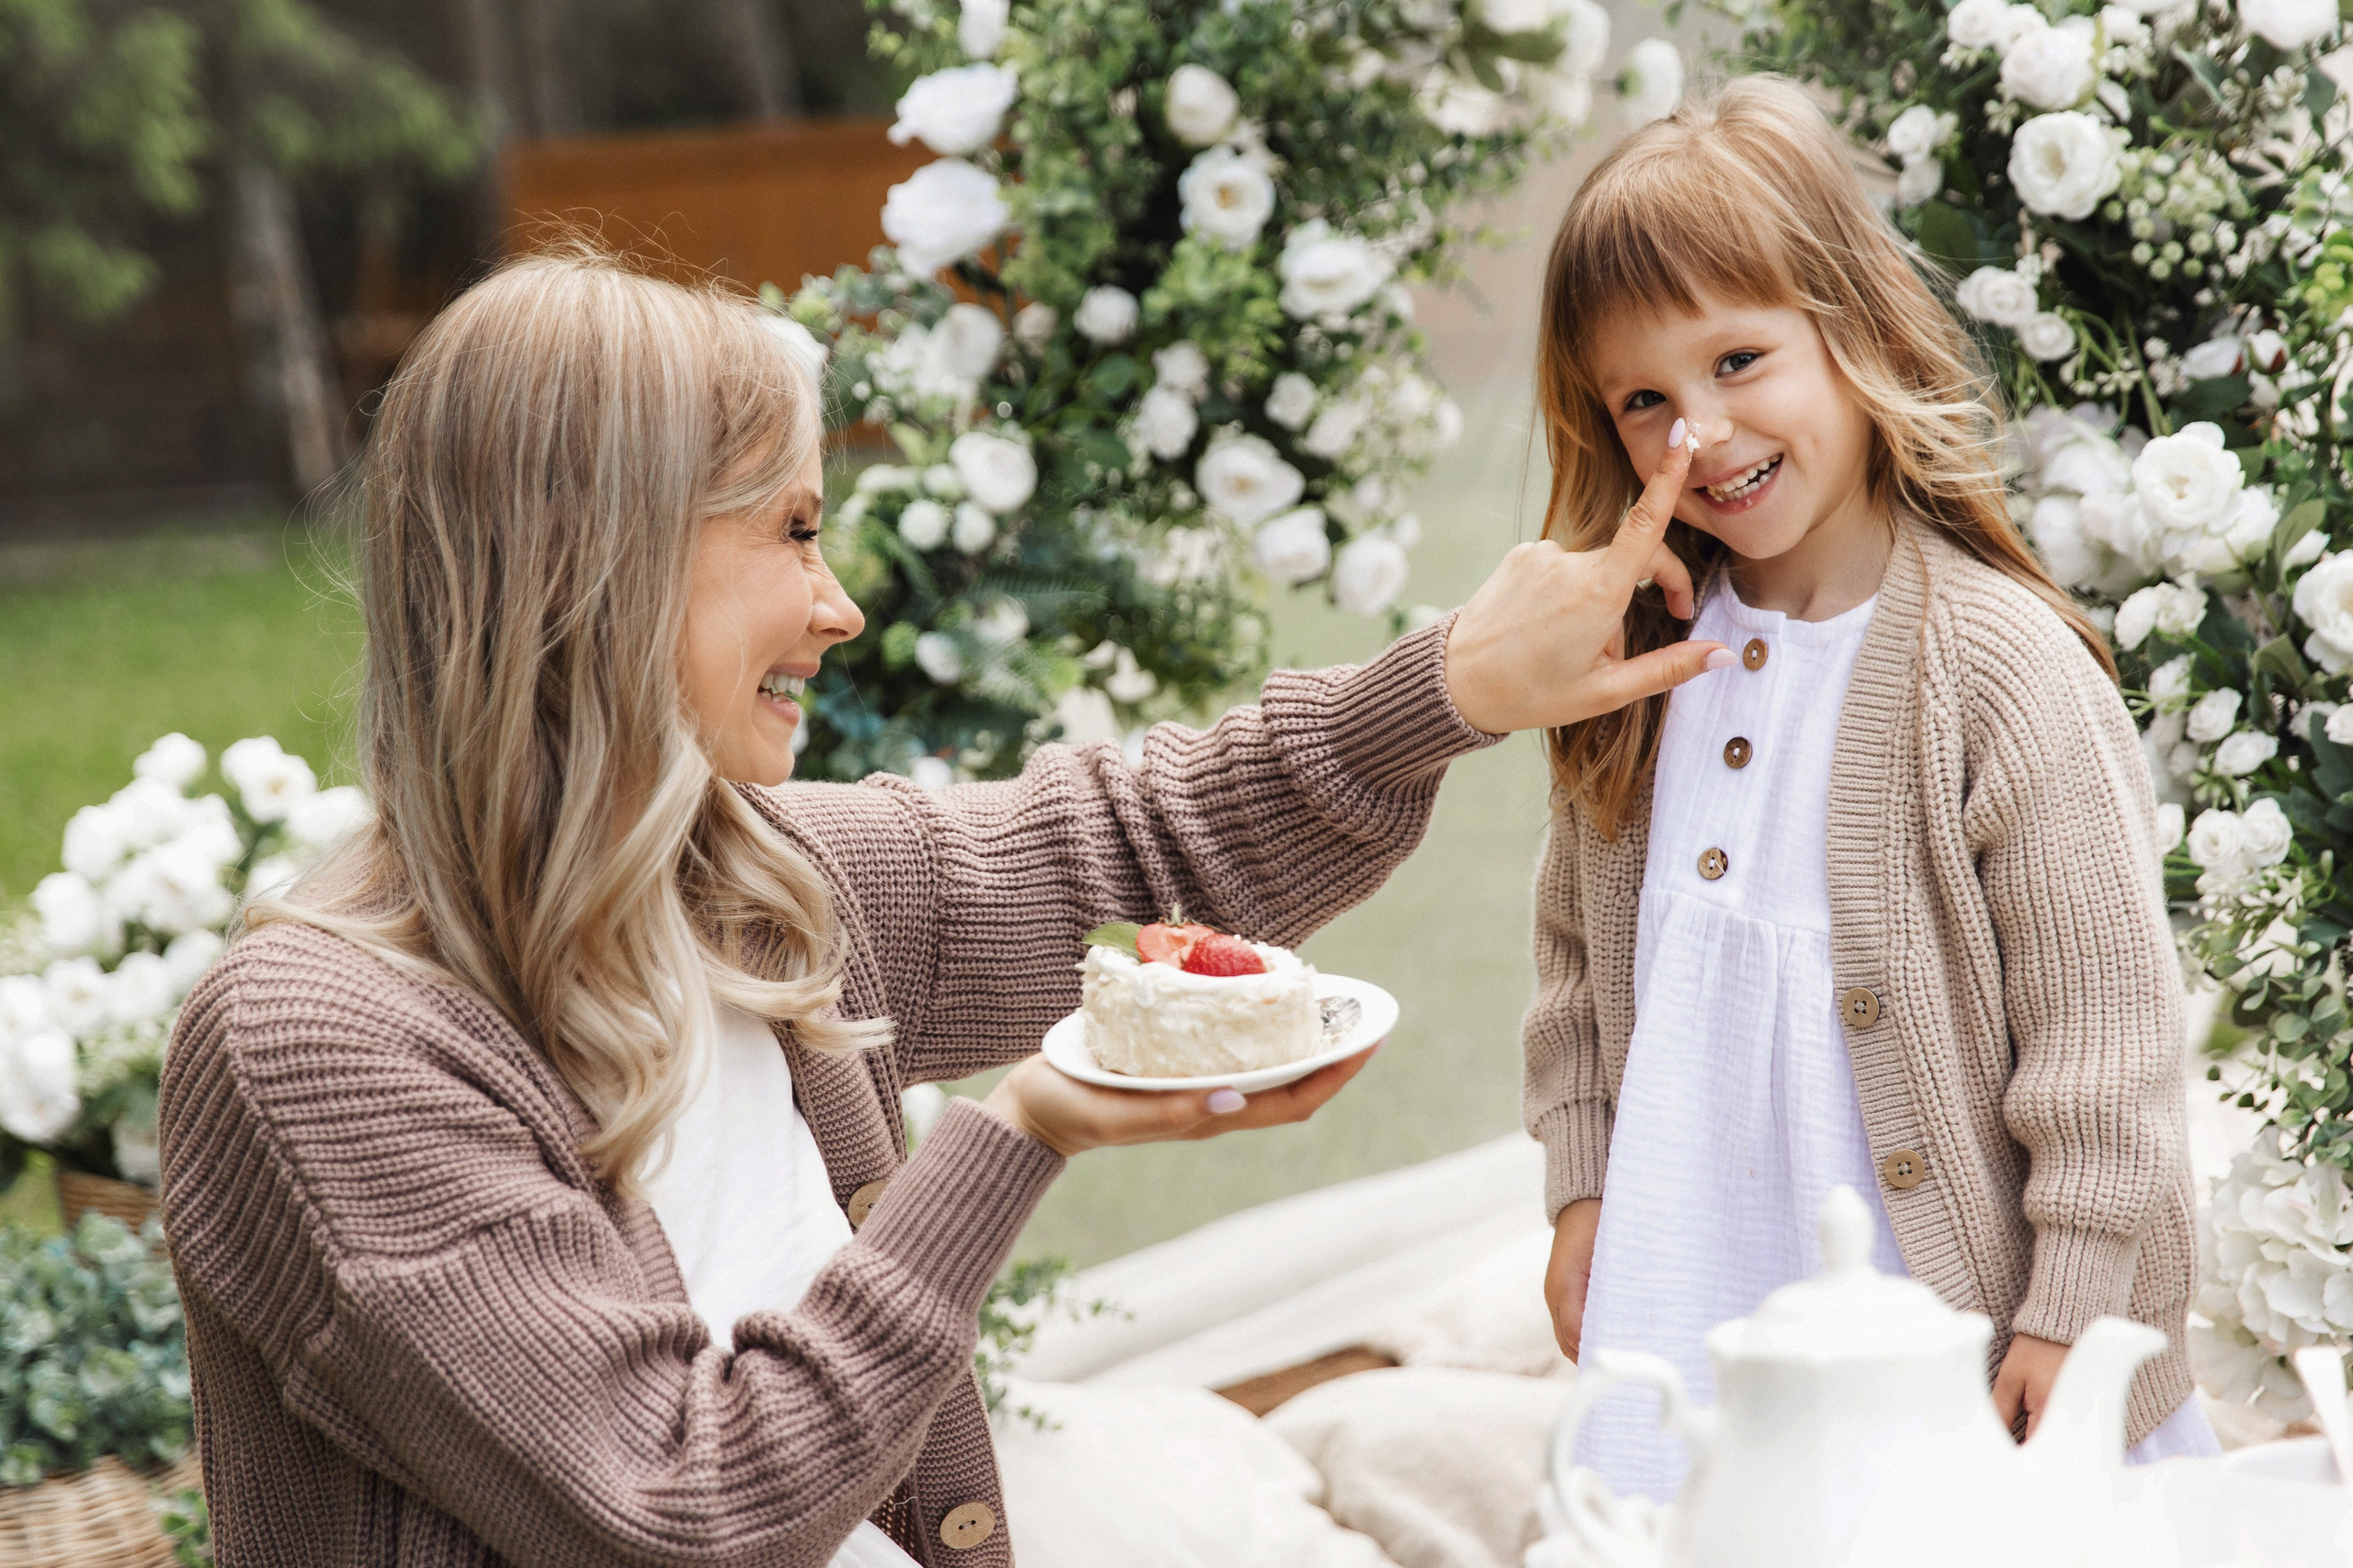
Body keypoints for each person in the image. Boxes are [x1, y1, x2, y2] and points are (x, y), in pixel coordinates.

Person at [155, 245, 1727, 1567]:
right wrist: (1023, 1132)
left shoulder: (750, 883)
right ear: (604, 565)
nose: (838, 605)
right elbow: (689, 1498)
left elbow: (1115, 849)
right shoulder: (322, 1044)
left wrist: (1449, 687)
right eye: (793, 528)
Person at [1520, 78, 2212, 1504]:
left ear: (1853, 331)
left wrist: (2072, 1299)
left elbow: (2106, 1033)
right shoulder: (1638, 662)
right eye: (1644, 398)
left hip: (1955, 1323)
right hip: (1691, 1278)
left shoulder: (1998, 669)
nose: (1696, 432)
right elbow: (1577, 971)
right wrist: (1584, 1186)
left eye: (1738, 361)